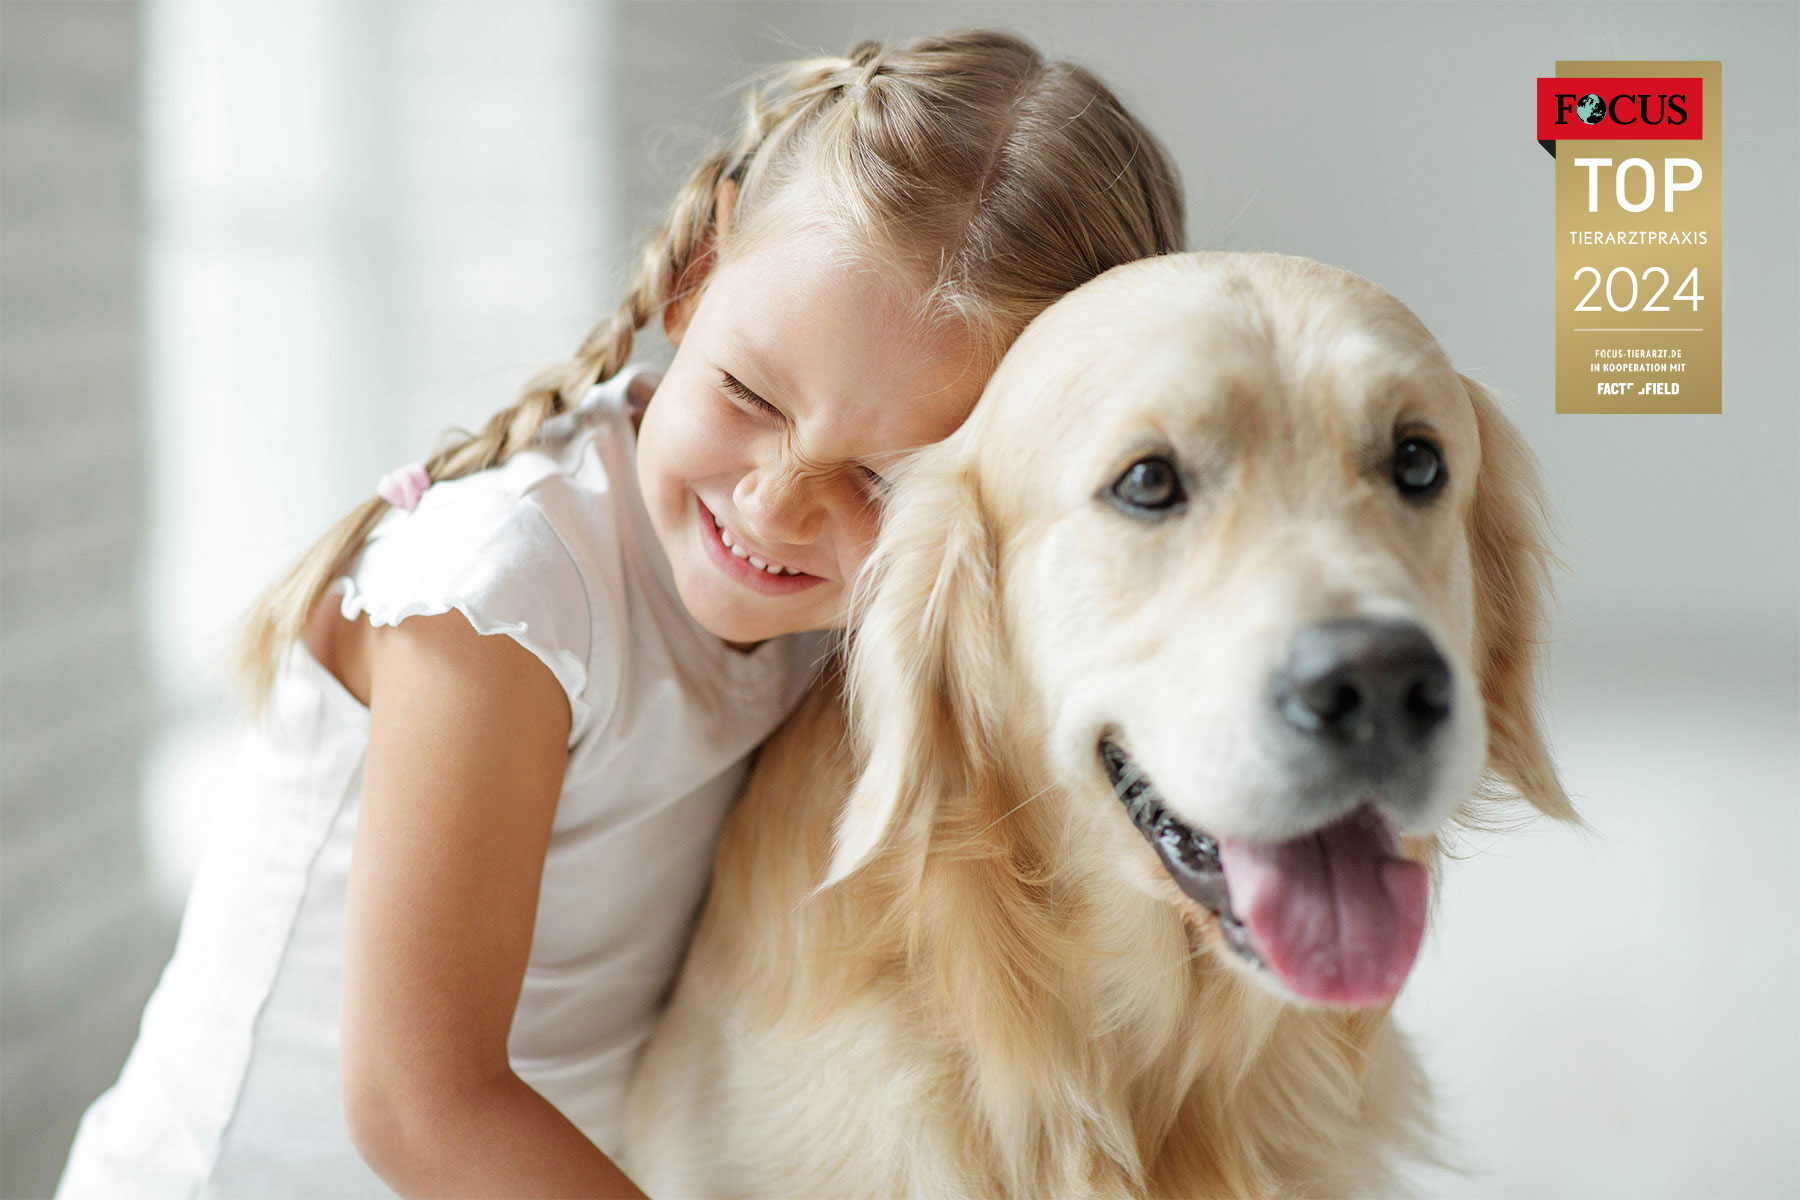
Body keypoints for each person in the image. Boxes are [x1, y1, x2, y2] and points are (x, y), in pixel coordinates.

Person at [55, 28, 1185, 1198]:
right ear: (697, 278)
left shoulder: (871, 615)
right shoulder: (505, 598)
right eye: (751, 394)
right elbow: (418, 1102)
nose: (776, 502)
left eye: (882, 482)